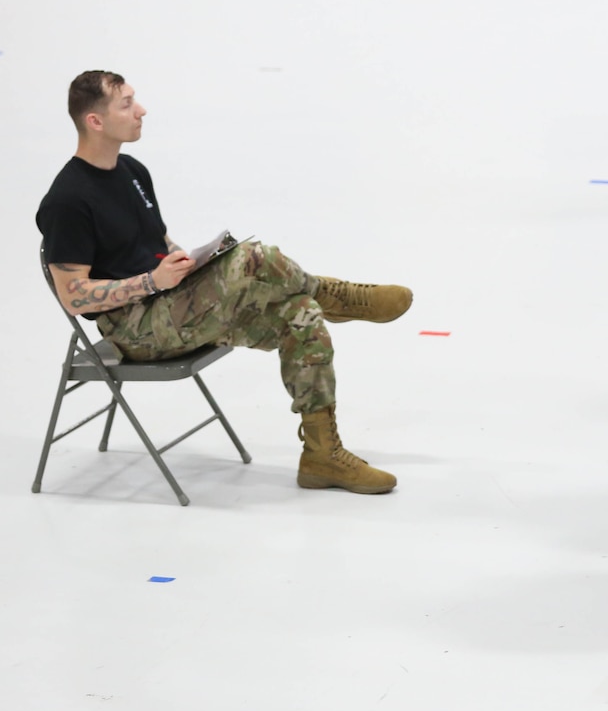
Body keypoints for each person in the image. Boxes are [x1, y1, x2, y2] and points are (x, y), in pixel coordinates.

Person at [36, 71, 412, 495]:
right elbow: (73, 297)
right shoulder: (67, 201)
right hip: (135, 331)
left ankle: (322, 456)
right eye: (126, 104)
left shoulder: (132, 171)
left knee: (300, 315)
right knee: (255, 257)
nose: (140, 110)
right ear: (95, 121)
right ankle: (335, 295)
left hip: (172, 307)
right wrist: (151, 281)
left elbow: (158, 244)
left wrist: (187, 263)